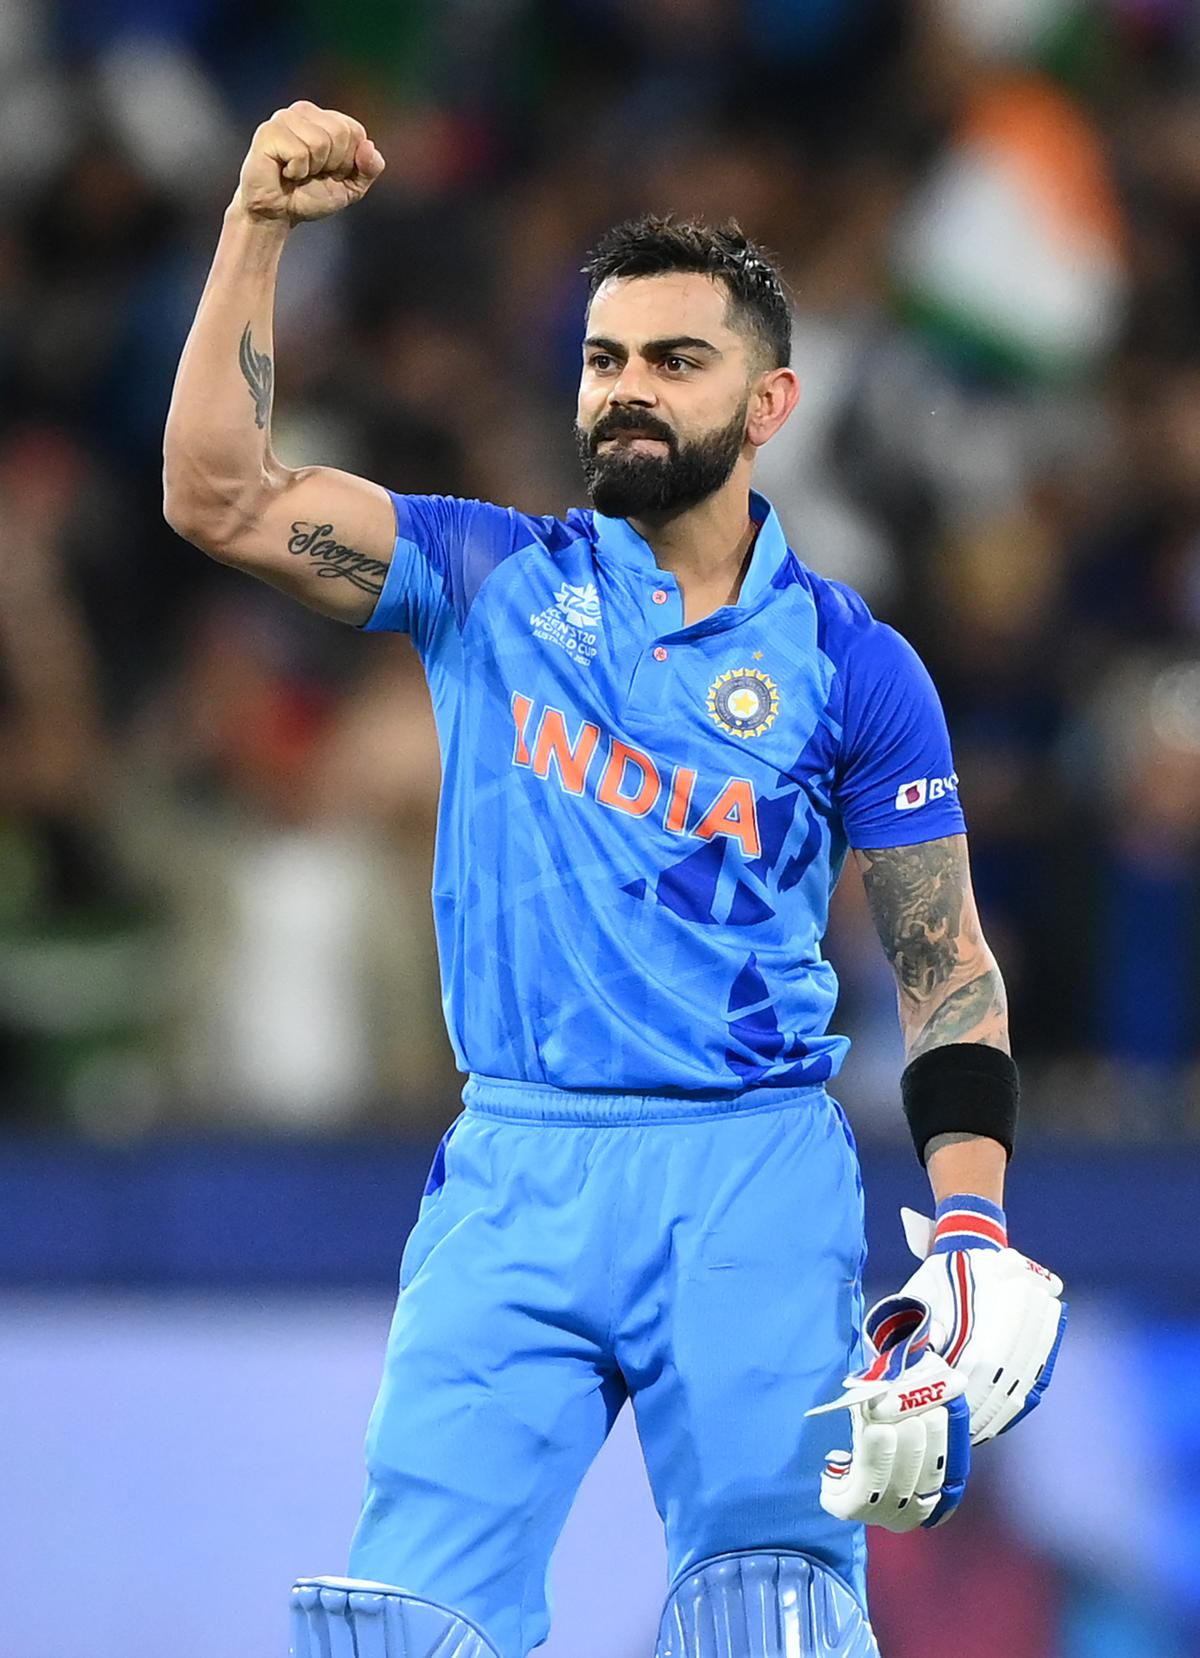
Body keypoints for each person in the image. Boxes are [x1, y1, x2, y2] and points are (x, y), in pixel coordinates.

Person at [163, 103, 1067, 1658]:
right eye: (604, 360)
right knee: (399, 1633)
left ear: (771, 398)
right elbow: (218, 496)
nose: (627, 391)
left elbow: (946, 968)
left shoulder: (858, 666)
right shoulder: (483, 578)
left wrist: (970, 1234)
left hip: (752, 1175)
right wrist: (256, 221)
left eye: (674, 360)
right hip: (518, 1163)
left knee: (763, 1623)